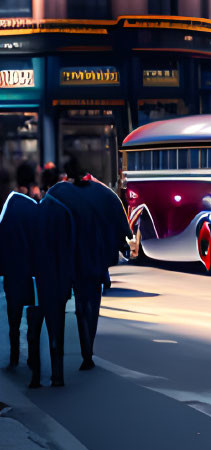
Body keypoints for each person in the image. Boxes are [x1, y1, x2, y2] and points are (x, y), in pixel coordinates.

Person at [46, 157, 124, 370]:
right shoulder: (103, 193)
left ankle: (85, 350)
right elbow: (120, 222)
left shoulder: (57, 193)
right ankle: (88, 350)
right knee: (92, 304)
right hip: (97, 257)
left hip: (72, 258)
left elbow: (47, 222)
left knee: (81, 305)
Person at [25, 186, 73, 388]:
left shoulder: (31, 215)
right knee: (56, 331)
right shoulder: (64, 215)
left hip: (35, 286)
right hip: (55, 285)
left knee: (33, 334)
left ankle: (35, 376)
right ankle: (57, 375)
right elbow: (67, 254)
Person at [0, 167, 36, 368]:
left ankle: (16, 356)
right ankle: (29, 356)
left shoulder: (13, 209)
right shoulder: (30, 206)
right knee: (28, 316)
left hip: (17, 273)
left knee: (15, 318)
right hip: (29, 273)